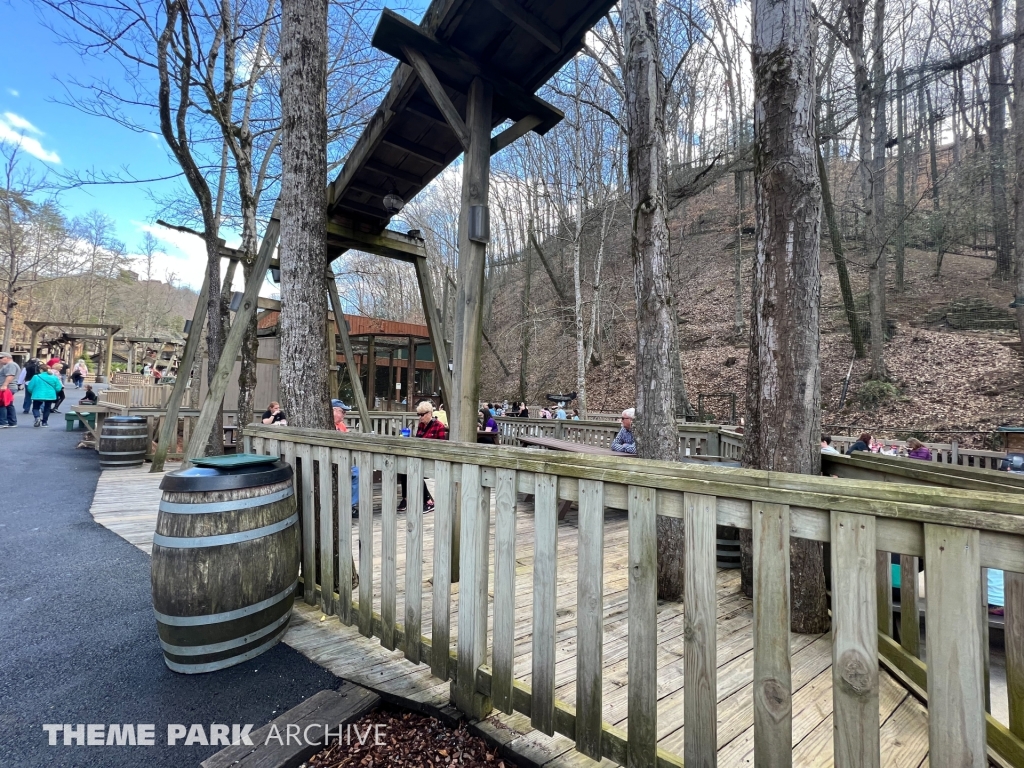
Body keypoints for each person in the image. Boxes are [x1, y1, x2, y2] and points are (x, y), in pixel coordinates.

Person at [398, 401, 446, 512]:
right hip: (420, 456)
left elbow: (442, 446)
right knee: (404, 468)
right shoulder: (421, 425)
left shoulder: (439, 426)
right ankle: (406, 498)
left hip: (433, 458)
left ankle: (428, 500)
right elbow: (417, 441)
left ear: (429, 413)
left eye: (422, 414)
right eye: (418, 415)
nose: (420, 417)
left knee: (414, 469)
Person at [26, 363, 62, 427]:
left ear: (41, 370)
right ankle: (44, 422)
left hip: (38, 395)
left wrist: (33, 392)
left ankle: (37, 418)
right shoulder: (54, 377)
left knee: (35, 408)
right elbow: (58, 388)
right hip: (50, 395)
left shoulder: (36, 377)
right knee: (47, 408)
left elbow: (30, 387)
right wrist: (54, 392)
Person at [0, 351, 19, 428]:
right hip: (9, 387)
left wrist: (4, 385)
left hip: (7, 387)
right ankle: (12, 422)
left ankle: (3, 422)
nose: (0, 359)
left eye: (1, 358)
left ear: (7, 358)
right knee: (8, 405)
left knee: (2, 404)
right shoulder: (10, 365)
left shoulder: (11, 365)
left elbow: (10, 375)